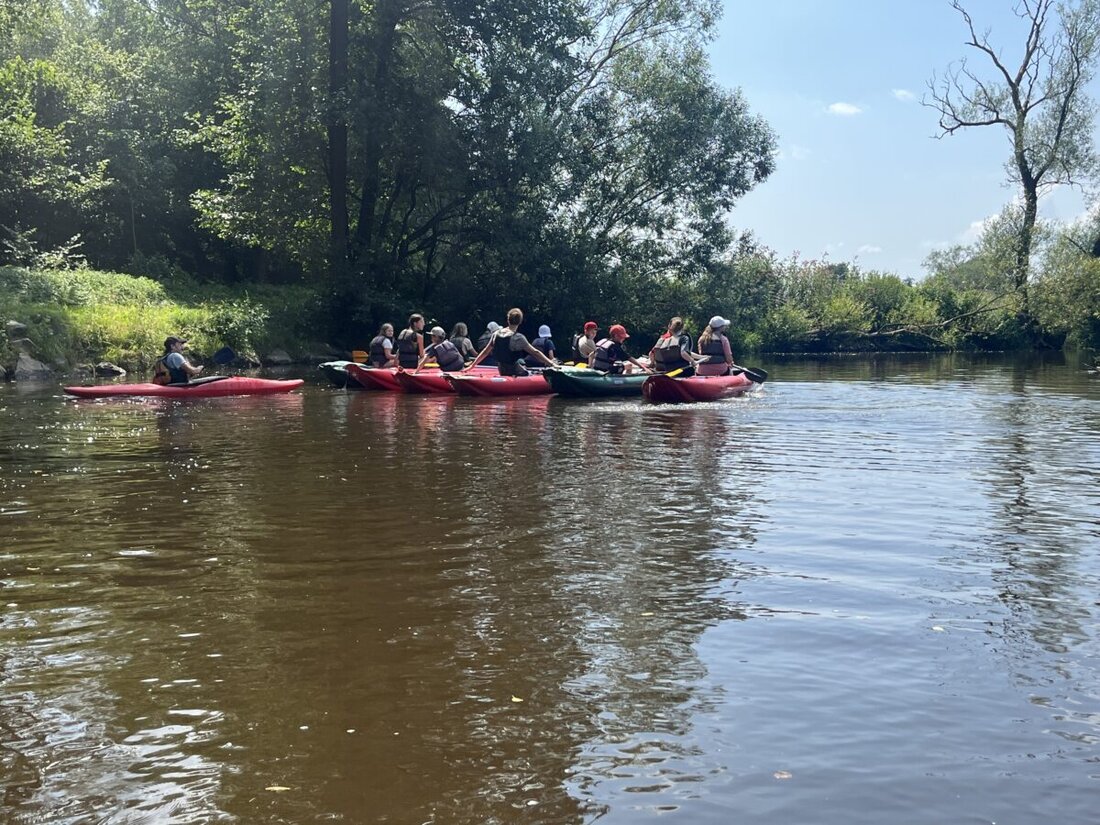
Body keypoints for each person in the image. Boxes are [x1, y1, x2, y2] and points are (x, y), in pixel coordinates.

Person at [467, 308, 557, 376]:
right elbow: (535, 353)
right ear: (520, 322)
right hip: (514, 371)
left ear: (508, 320)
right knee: (527, 370)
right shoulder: (518, 338)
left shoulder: (496, 333)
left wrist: (472, 365)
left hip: (501, 370)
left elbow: (485, 352)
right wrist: (552, 364)